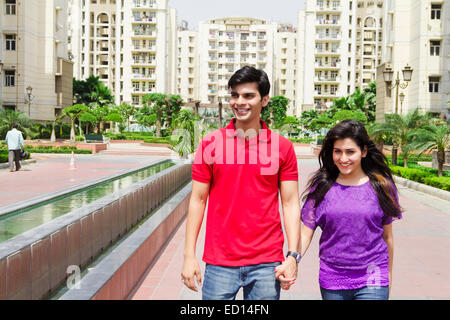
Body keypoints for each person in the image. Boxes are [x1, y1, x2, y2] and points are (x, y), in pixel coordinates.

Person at [181, 66, 302, 300]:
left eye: (248, 96)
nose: (239, 102)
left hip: (267, 262)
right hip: (220, 261)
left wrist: (292, 256)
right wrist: (188, 256)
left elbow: (290, 204)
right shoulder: (210, 144)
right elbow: (197, 200)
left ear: (264, 99)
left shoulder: (282, 148)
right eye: (234, 95)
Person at [299, 119, 402, 300]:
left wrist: (389, 277)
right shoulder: (322, 187)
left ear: (363, 151)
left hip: (373, 275)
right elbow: (305, 234)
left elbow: (387, 237)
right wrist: (293, 259)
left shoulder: (382, 186)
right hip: (332, 277)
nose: (343, 158)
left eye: (350, 152)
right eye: (337, 151)